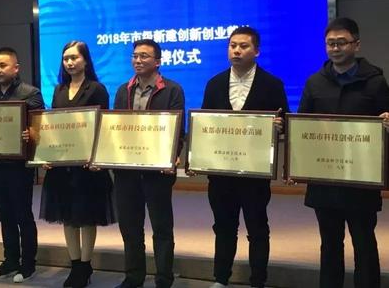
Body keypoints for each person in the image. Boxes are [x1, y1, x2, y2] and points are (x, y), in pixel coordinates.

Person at [298, 17, 389, 288]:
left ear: (356, 45)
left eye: (341, 43)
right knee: (329, 244)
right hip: (324, 180)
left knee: (364, 242)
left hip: (360, 179)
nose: (335, 48)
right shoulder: (314, 83)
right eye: (330, 43)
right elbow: (302, 127)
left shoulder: (375, 82)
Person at [200, 27, 289, 288]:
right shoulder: (214, 83)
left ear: (256, 51)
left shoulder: (272, 84)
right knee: (223, 227)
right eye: (232, 46)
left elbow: (285, 121)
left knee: (257, 228)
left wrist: (279, 126)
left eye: (243, 46)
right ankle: (221, 279)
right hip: (221, 171)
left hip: (255, 171)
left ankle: (257, 281)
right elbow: (205, 125)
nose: (236, 50)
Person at [38, 41, 115, 288]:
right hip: (62, 165)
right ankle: (75, 265)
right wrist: (47, 154)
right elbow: (54, 127)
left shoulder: (97, 89)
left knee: (87, 217)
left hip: (87, 166)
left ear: (85, 60)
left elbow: (103, 126)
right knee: (67, 217)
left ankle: (86, 264)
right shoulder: (59, 89)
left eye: (74, 58)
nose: (69, 63)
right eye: (66, 59)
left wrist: (97, 158)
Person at [113, 39, 185, 288]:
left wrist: (173, 155)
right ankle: (133, 277)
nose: (138, 60)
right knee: (130, 228)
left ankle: (164, 278)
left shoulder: (172, 90)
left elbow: (178, 130)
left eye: (144, 56)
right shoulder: (123, 90)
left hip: (157, 171)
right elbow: (115, 129)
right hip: (126, 171)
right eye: (135, 56)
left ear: (158, 61)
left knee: (162, 228)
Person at [0, 47, 44, 283]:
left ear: (16, 68)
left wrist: (31, 133)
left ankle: (28, 264)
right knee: (4, 215)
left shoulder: (31, 94)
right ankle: (10, 260)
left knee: (22, 215)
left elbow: (39, 128)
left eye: (3, 65)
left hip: (19, 167)